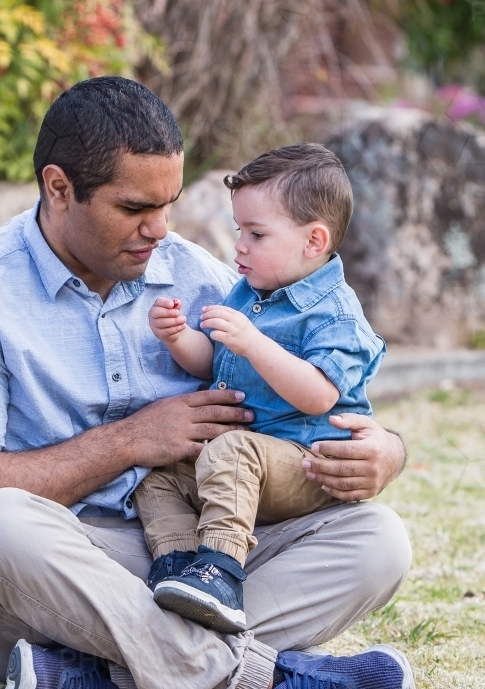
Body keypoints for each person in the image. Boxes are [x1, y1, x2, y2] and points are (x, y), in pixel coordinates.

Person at [0, 76, 416, 689]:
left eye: (168, 204)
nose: (159, 230)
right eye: (135, 207)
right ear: (58, 188)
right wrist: (133, 439)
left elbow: (302, 397)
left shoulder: (204, 279)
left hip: (193, 567)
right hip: (49, 568)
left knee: (376, 541)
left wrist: (385, 451)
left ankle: (104, 684)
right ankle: (266, 683)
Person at [134, 144, 386, 636]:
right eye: (239, 231)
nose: (239, 247)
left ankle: (221, 574)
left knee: (230, 452)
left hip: (306, 462)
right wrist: (178, 337)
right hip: (245, 462)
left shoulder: (333, 313)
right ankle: (179, 563)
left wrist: (253, 342)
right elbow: (213, 360)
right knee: (156, 475)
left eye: (257, 233)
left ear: (314, 241)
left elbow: (319, 395)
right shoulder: (252, 291)